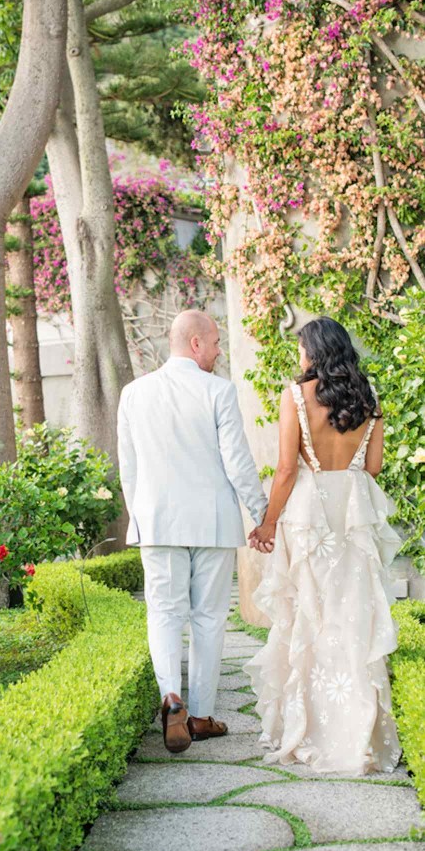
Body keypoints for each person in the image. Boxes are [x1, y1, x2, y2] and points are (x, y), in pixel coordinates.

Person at [247, 317, 402, 775]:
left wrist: (266, 524)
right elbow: (372, 467)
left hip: (308, 517)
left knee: (309, 618)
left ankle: (308, 728)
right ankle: (360, 734)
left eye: (301, 348)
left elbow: (286, 470)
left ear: (312, 352)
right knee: (354, 619)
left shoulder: (294, 397)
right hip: (352, 514)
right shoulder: (369, 398)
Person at [117, 310, 268, 753]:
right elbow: (238, 463)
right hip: (214, 523)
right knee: (208, 618)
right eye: (217, 342)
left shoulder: (134, 393)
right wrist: (261, 515)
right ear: (196, 343)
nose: (220, 351)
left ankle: (172, 699)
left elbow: (129, 467)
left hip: (158, 521)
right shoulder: (219, 391)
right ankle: (200, 716)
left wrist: (141, 514)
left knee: (163, 613)